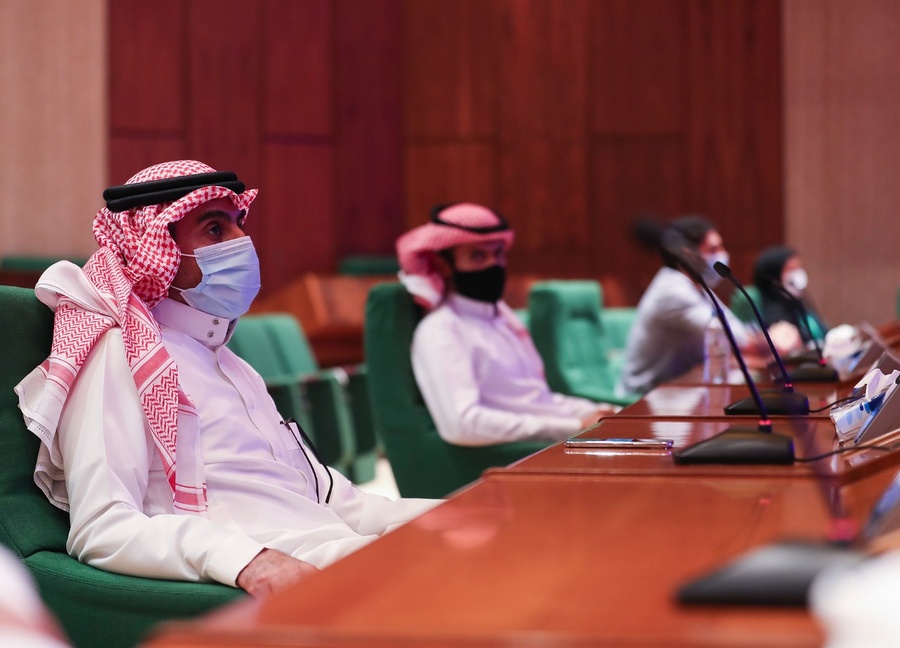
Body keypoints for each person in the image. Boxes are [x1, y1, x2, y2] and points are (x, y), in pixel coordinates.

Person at [14, 160, 438, 598]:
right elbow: (101, 528)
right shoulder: (122, 352)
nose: (242, 241)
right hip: (292, 572)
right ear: (157, 251)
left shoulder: (235, 367)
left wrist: (459, 515)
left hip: (343, 549)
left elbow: (342, 505)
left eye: (237, 224)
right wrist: (246, 562)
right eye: (215, 230)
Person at [396, 202, 616, 447]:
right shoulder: (441, 330)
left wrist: (598, 412)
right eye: (478, 256)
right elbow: (464, 424)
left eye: (498, 254)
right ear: (444, 266)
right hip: (527, 456)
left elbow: (537, 401)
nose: (494, 265)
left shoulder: (502, 320)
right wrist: (574, 427)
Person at [617, 215, 762, 397]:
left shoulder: (698, 287)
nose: (722, 254)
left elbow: (737, 331)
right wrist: (773, 340)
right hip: (645, 397)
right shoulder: (673, 292)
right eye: (713, 249)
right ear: (688, 253)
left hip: (679, 389)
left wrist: (762, 340)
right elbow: (740, 341)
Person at [752, 245, 828, 345]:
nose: (797, 274)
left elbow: (822, 331)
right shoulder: (763, 306)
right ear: (773, 274)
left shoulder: (800, 301)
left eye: (799, 268)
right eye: (791, 269)